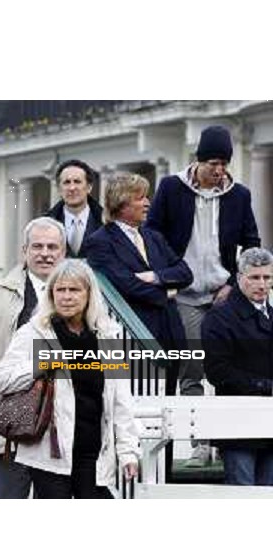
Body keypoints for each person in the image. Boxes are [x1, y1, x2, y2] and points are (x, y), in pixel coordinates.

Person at [146, 125, 261, 466]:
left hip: (224, 294)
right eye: (213, 162)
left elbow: (252, 241)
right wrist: (168, 273)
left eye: (224, 163)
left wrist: (235, 281)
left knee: (230, 369)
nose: (219, 170)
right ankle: (199, 444)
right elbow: (152, 232)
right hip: (184, 296)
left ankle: (231, 444)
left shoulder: (239, 195)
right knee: (192, 368)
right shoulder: (170, 187)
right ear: (198, 160)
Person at [0, 259, 140, 498]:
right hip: (50, 455)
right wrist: (43, 363)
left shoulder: (106, 336)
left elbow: (121, 402)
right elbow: (1, 381)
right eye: (60, 290)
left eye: (75, 290)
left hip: (94, 453)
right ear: (51, 294)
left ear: (89, 294)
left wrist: (128, 451)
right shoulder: (35, 331)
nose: (67, 296)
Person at [0, 216, 66, 498]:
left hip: (59, 432)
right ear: (24, 251)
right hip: (5, 428)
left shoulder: (79, 294)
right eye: (38, 246)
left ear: (63, 252)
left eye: (52, 247)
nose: (45, 253)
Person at [86, 172, 193, 396]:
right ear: (121, 203)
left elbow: (185, 273)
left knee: (169, 404)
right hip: (134, 338)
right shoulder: (100, 241)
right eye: (140, 198)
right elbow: (127, 286)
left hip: (170, 332)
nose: (147, 203)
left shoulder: (154, 237)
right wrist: (169, 292)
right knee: (138, 407)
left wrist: (156, 277)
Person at [202, 248, 273, 485]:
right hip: (237, 423)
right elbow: (217, 371)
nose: (262, 284)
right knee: (241, 499)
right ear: (240, 277)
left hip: (268, 421)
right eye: (255, 277)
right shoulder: (219, 317)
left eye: (267, 277)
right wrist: (264, 385)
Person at [45, 158, 102, 258]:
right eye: (67, 182)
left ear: (89, 187)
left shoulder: (106, 224)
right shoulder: (45, 224)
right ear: (59, 188)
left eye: (77, 182)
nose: (72, 188)